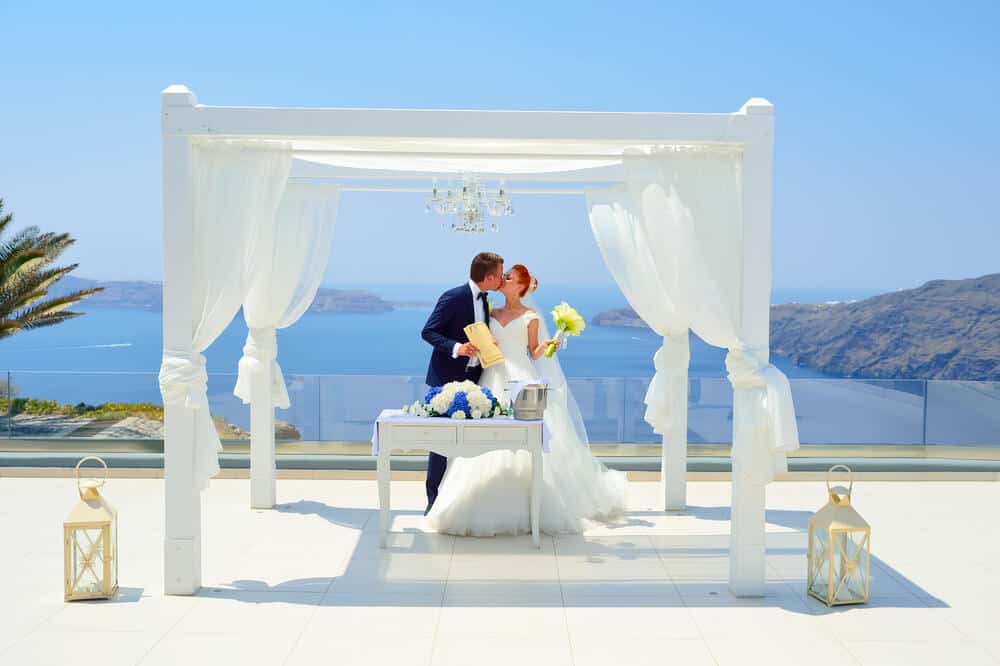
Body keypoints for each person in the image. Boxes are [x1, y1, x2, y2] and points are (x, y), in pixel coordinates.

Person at [426, 264, 626, 535]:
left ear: (521, 286)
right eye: (502, 275)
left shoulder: (530, 316)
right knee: (484, 438)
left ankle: (534, 504)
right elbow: (479, 337)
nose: (503, 279)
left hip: (521, 378)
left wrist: (549, 345)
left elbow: (533, 352)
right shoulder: (490, 311)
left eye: (508, 277)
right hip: (491, 375)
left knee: (526, 440)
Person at [420, 252, 504, 514]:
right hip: (446, 379)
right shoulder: (453, 297)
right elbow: (428, 331)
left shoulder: (486, 300)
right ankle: (433, 502)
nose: (502, 279)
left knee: (468, 442)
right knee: (441, 444)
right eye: (500, 275)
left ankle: (461, 500)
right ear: (489, 277)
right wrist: (457, 347)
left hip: (475, 379)